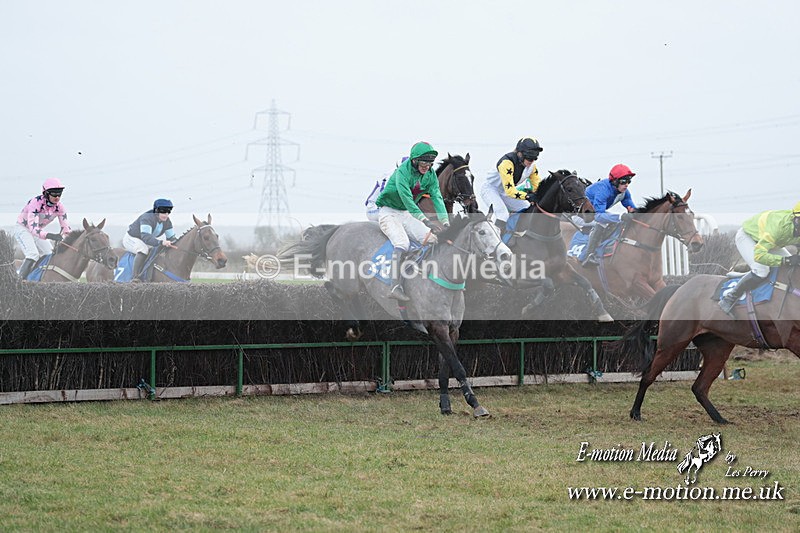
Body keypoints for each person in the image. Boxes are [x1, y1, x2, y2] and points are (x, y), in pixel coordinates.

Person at [375, 141, 450, 301]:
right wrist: (425, 220)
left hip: (405, 214)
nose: (427, 166)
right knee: (402, 243)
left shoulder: (430, 175)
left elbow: (436, 197)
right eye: (424, 162)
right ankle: (394, 286)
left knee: (432, 239)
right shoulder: (402, 172)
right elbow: (408, 200)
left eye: (430, 163)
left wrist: (445, 221)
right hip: (388, 213)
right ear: (414, 160)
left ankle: (424, 275)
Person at [719, 202, 800, 316]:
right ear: (795, 219)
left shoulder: (796, 224)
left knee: (792, 265)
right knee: (762, 270)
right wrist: (785, 260)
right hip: (749, 237)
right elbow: (759, 256)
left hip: (770, 243)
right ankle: (730, 297)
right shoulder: (779, 228)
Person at [480, 137, 543, 232]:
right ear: (520, 153)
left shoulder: (532, 167)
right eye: (529, 157)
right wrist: (528, 196)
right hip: (491, 189)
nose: (531, 161)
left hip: (505, 192)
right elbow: (510, 191)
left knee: (527, 209)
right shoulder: (506, 163)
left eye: (534, 158)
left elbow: (537, 186)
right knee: (502, 214)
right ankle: (494, 240)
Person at [579, 164, 637, 266]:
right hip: (580, 214)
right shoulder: (603, 191)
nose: (626, 185)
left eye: (629, 181)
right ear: (615, 181)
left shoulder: (625, 192)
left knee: (615, 221)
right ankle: (588, 255)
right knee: (603, 222)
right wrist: (620, 217)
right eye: (623, 182)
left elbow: (633, 209)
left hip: (596, 212)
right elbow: (598, 216)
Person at [14, 178, 71, 280]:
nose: (57, 197)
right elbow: (33, 228)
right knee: (33, 254)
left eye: (59, 194)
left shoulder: (60, 207)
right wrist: (50, 235)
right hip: (23, 229)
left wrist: (70, 240)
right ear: (46, 193)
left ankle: (37, 279)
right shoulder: (35, 203)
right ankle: (18, 283)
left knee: (49, 254)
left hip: (37, 231)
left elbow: (66, 228)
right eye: (54, 194)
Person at [123, 198, 178, 280]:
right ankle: (135, 277)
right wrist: (161, 242)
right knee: (143, 250)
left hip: (144, 240)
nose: (166, 215)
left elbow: (172, 238)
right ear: (156, 211)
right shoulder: (147, 218)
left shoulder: (167, 221)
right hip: (131, 239)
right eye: (163, 212)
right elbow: (146, 238)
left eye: (168, 212)